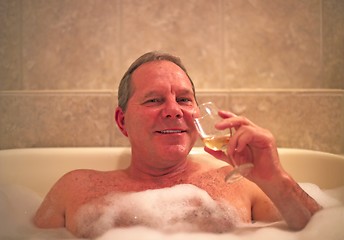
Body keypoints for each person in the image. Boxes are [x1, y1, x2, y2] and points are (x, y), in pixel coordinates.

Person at [33, 51, 321, 238]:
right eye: (154, 100)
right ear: (122, 121)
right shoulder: (75, 189)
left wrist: (276, 179)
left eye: (184, 99)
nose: (174, 110)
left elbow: (323, 230)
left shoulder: (240, 183)